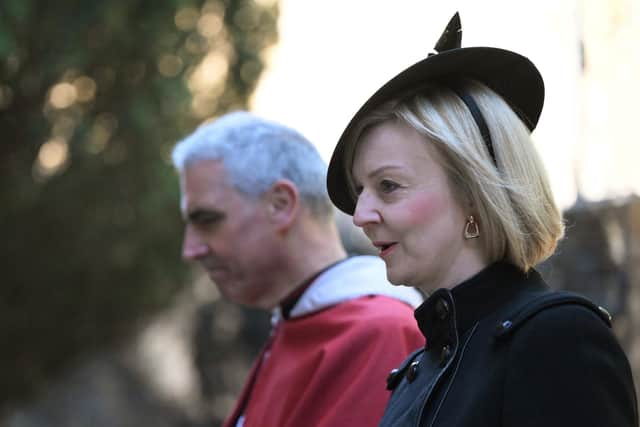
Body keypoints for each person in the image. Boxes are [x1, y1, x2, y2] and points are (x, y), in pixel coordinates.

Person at [326, 12, 638, 427]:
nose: (361, 214)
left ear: (475, 193)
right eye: (361, 190)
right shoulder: (416, 371)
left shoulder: (556, 338)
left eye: (388, 186)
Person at [171, 111, 424, 427]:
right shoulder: (300, 320)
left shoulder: (379, 334)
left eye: (208, 220)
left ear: (281, 204)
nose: (190, 250)